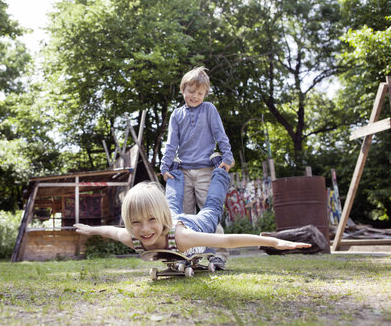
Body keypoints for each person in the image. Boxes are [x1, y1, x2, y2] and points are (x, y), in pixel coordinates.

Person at [73, 168, 311, 256]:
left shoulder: (182, 238)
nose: (144, 230)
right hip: (171, 218)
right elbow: (111, 231)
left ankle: (221, 171)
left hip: (191, 225)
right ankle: (175, 170)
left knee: (211, 207)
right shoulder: (132, 235)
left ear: (160, 218)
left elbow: (227, 240)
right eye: (136, 223)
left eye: (150, 220)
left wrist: (273, 242)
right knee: (172, 200)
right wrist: (91, 229)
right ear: (129, 223)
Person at [160, 66, 235, 267]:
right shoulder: (177, 115)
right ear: (183, 89)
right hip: (182, 172)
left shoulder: (209, 110)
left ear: (205, 94)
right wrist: (164, 166)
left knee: (209, 212)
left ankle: (218, 254)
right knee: (182, 218)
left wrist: (227, 158)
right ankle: (186, 255)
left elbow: (221, 135)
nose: (195, 96)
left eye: (200, 93)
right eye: (191, 91)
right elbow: (171, 143)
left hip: (205, 171)